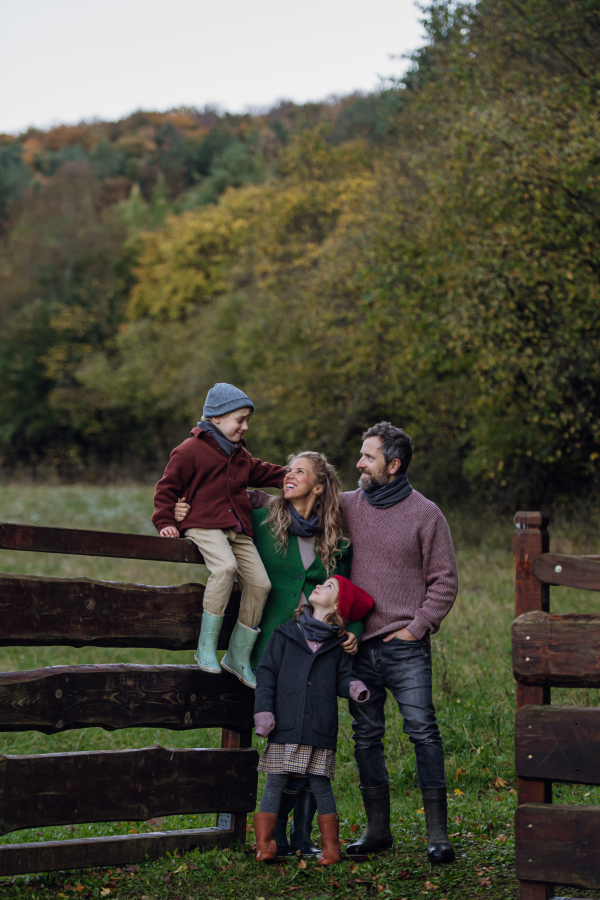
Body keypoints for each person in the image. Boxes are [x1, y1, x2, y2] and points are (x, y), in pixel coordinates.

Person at [175, 450, 364, 857]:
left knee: (313, 741)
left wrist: (354, 633)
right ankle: (273, 834)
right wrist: (179, 508)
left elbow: (349, 596)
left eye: (300, 471)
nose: (288, 475)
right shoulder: (260, 520)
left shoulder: (337, 540)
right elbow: (214, 511)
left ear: (319, 485)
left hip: (320, 654)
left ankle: (303, 837)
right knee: (281, 743)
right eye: (288, 469)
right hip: (274, 652)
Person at [342, 422, 458, 864]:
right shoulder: (348, 505)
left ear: (393, 466)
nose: (359, 463)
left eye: (367, 457)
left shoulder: (426, 514)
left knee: (423, 732)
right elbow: (298, 504)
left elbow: (444, 581)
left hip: (404, 647)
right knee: (366, 735)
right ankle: (377, 831)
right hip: (356, 646)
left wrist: (416, 627)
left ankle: (438, 836)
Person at [152, 382, 287, 689]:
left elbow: (265, 472)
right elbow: (166, 490)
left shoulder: (240, 456)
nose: (245, 426)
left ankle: (238, 656)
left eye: (247, 420)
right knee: (225, 568)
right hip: (203, 524)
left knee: (261, 584)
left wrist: (297, 475)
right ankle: (205, 648)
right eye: (240, 419)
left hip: (237, 528)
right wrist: (165, 521)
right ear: (217, 418)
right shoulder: (189, 451)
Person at [252, 575, 373, 865]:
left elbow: (343, 678)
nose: (318, 586)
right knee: (275, 781)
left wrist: (354, 687)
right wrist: (264, 711)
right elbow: (267, 673)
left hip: (320, 727)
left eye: (328, 587)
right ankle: (265, 844)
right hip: (286, 724)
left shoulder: (338, 645)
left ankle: (331, 847)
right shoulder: (284, 634)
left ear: (336, 607)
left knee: (321, 784)